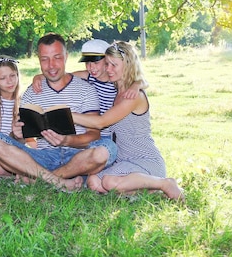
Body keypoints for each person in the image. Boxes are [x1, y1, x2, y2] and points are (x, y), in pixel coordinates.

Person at [0, 33, 118, 192]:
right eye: (45, 59)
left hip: (77, 158)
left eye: (57, 57)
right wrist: (17, 135)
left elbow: (94, 135)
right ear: (39, 60)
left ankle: (41, 178)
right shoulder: (32, 93)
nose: (51, 65)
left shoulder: (85, 89)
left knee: (107, 149)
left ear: (66, 57)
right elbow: (25, 140)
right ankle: (56, 180)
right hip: (43, 157)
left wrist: (66, 141)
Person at [72, 41, 184, 200]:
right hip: (124, 160)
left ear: (128, 66)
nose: (108, 69)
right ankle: (149, 190)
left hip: (144, 159)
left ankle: (164, 183)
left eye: (113, 65)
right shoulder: (117, 90)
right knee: (93, 182)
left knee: (109, 182)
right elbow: (70, 76)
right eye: (107, 64)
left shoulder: (134, 96)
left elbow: (101, 122)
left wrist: (68, 115)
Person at [32, 38, 139, 141]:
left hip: (107, 134)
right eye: (87, 63)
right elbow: (63, 76)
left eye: (96, 63)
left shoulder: (115, 79)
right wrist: (39, 77)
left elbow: (136, 79)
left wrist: (137, 85)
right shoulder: (88, 76)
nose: (91, 67)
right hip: (88, 132)